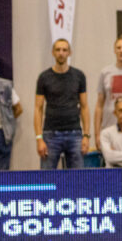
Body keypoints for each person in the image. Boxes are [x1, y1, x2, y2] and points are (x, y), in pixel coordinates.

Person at [35, 39, 90, 170]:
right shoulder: (44, 77)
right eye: (58, 50)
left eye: (64, 50)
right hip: (50, 134)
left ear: (69, 53)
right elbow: (38, 108)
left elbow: (84, 106)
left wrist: (86, 136)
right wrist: (39, 138)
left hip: (75, 133)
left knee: (78, 179)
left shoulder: (79, 76)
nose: (61, 53)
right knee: (47, 179)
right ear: (53, 53)